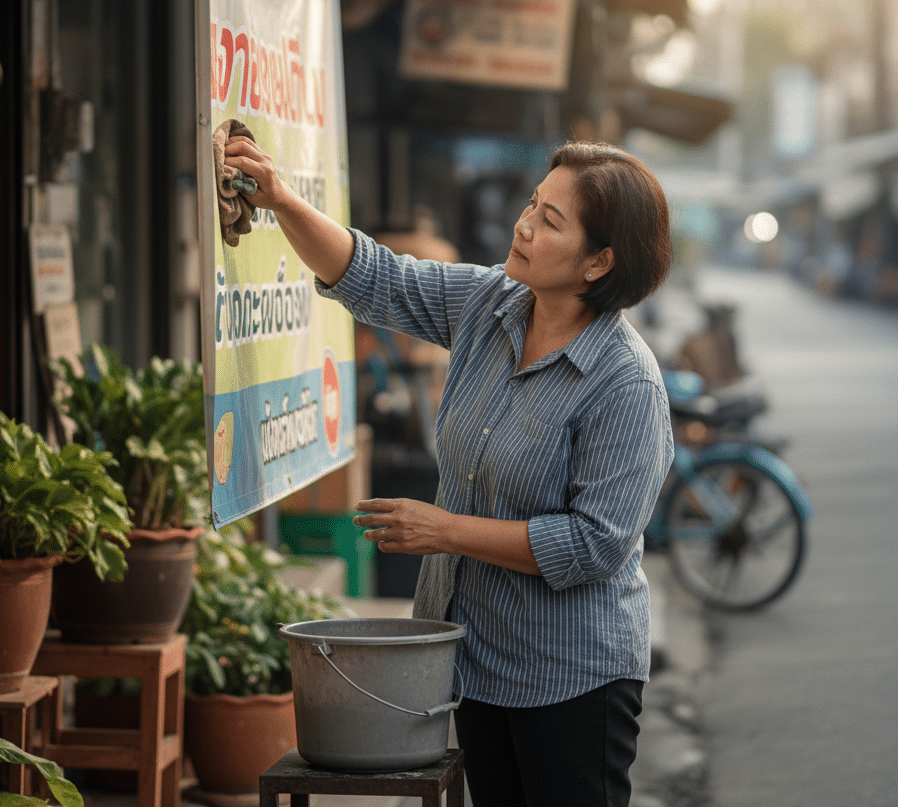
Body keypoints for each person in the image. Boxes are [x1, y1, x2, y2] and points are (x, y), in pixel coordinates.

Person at [224, 136, 674, 807]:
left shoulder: (626, 382)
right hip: (475, 664)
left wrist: (446, 531)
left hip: (574, 678)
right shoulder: (489, 303)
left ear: (598, 261)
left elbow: (593, 545)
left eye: (551, 221)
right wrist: (282, 200)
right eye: (532, 204)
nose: (524, 225)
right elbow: (374, 276)